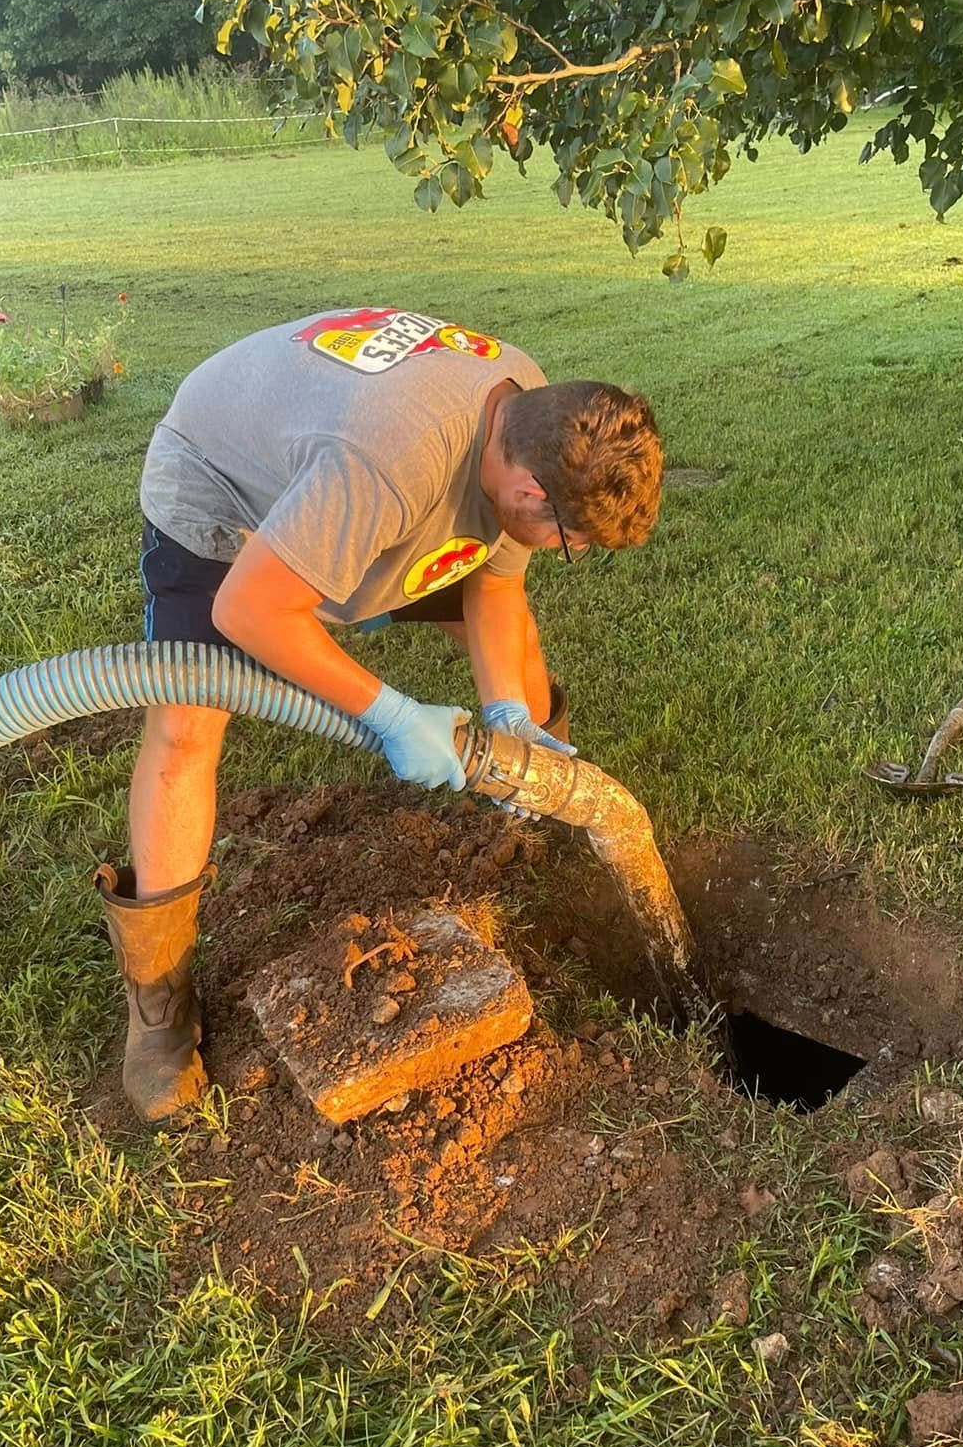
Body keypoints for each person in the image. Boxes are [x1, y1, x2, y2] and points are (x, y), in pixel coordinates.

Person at [95, 306, 665, 1121]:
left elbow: (495, 586)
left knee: (518, 643)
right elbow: (250, 611)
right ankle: (158, 1010)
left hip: (353, 495)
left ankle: (550, 821)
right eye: (567, 538)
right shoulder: (389, 463)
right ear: (530, 487)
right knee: (188, 728)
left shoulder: (533, 413)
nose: (560, 551)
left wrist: (504, 711)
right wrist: (392, 713)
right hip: (228, 501)